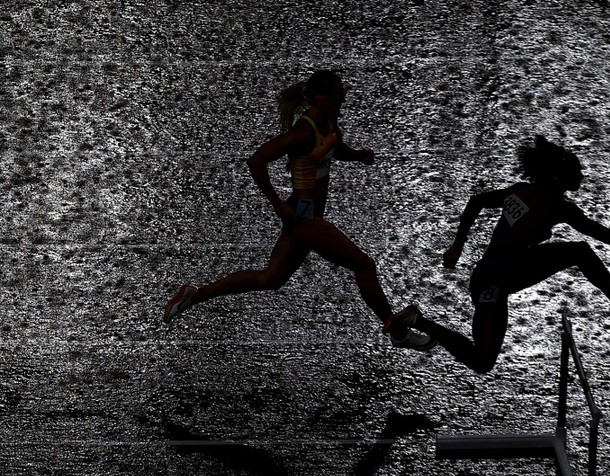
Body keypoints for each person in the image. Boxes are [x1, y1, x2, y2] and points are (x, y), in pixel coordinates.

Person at [163, 70, 434, 351]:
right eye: (340, 94)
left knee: (271, 279)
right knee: (363, 264)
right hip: (304, 216)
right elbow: (256, 161)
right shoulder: (302, 132)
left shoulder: (328, 120)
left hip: (307, 214)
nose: (344, 98)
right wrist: (278, 204)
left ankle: (194, 295)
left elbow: (335, 148)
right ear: (322, 97)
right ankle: (397, 332)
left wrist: (358, 156)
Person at [387, 135, 610, 373]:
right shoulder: (558, 207)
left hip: (495, 275)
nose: (583, 176)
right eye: (579, 172)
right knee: (482, 361)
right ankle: (418, 320)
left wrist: (458, 245)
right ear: (560, 177)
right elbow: (609, 237)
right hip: (494, 283)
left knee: (579, 252)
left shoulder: (520, 191)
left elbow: (476, 202)